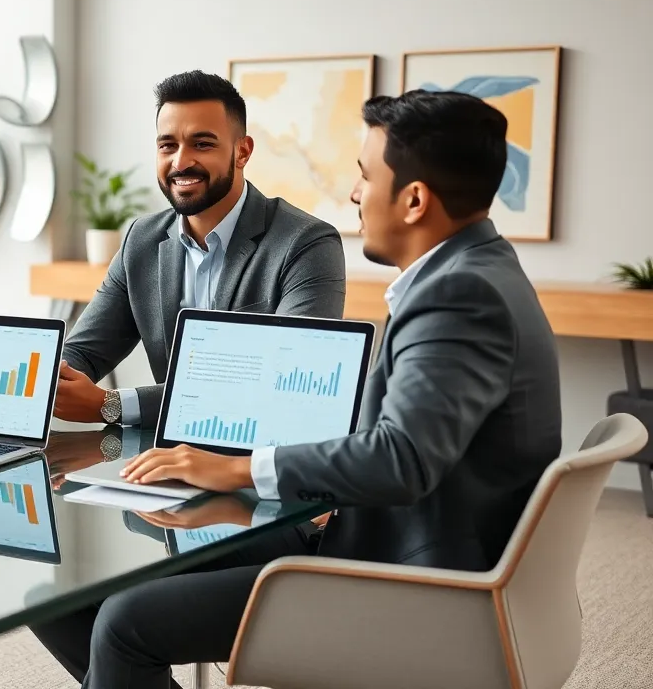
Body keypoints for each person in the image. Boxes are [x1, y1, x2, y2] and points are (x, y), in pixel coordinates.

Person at [31, 89, 562, 688]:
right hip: (378, 536)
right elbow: (400, 428)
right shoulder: (477, 272)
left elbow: (402, 456)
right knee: (60, 593)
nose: (356, 195)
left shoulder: (457, 295)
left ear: (413, 199)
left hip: (404, 579)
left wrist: (233, 469)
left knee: (125, 620)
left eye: (365, 176)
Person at [54, 71, 345, 428]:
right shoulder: (140, 239)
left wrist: (113, 405)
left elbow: (280, 386)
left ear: (242, 151)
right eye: (167, 145)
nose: (180, 162)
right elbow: (82, 352)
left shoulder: (307, 244)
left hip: (257, 464)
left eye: (202, 144)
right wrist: (57, 380)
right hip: (162, 461)